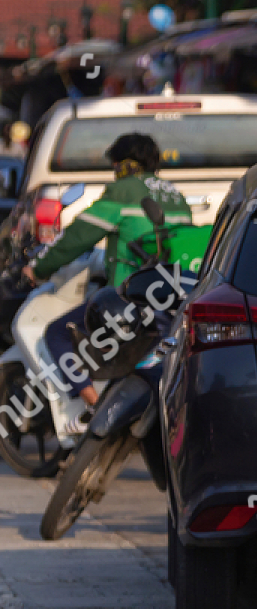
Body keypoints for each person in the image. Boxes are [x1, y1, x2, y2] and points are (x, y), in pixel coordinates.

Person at [23, 133, 192, 436]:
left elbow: (77, 237)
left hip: (131, 299)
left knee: (59, 334)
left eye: (115, 164)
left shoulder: (123, 191)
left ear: (125, 164)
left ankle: (95, 406)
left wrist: (38, 269)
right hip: (169, 298)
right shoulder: (175, 194)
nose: (114, 170)